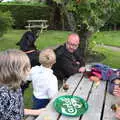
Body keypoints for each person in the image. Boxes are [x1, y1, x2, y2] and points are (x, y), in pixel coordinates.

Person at [0, 49, 45, 120]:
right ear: (14, 72)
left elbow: (16, 109)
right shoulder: (3, 95)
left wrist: (36, 112)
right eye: (25, 68)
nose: (29, 70)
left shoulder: (16, 85)